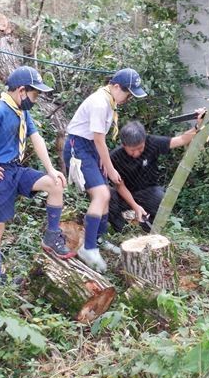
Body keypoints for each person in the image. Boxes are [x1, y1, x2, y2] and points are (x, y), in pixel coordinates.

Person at [0, 66, 72, 283]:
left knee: (55, 184)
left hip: (15, 170)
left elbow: (35, 137)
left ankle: (51, 237)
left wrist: (51, 169)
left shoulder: (21, 110)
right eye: (35, 94)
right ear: (21, 90)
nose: (35, 99)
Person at [63, 68, 147, 272]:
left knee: (106, 195)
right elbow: (99, 138)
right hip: (78, 147)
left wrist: (102, 158)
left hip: (91, 147)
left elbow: (98, 140)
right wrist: (109, 168)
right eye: (128, 93)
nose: (128, 98)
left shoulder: (109, 102)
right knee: (100, 194)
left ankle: (98, 239)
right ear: (116, 86)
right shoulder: (100, 103)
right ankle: (88, 248)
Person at [108, 110, 204, 232]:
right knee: (108, 197)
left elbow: (181, 140)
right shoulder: (115, 157)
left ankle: (150, 231)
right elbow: (120, 186)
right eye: (132, 150)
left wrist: (198, 125)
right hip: (125, 193)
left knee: (160, 199)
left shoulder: (152, 142)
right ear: (124, 145)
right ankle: (123, 233)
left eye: (140, 148)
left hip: (149, 191)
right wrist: (135, 206)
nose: (136, 153)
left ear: (144, 140)